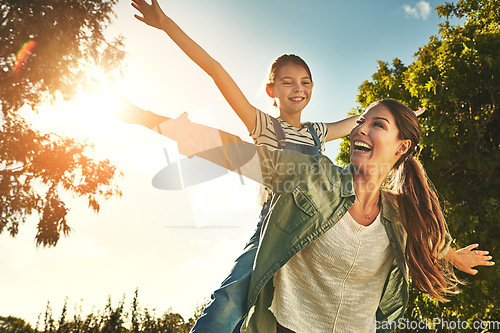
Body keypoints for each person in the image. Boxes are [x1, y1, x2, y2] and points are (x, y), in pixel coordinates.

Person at [111, 96, 494, 332]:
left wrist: (452, 254)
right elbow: (235, 153)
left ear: (401, 147)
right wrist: (147, 118)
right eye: (361, 120)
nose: (362, 128)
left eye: (378, 124)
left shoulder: (398, 214)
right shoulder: (313, 176)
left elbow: (426, 238)